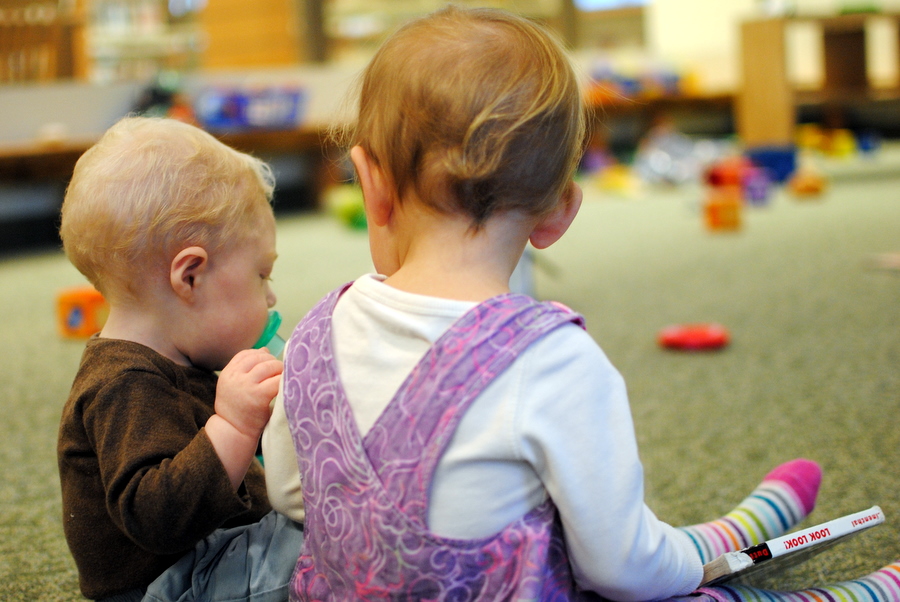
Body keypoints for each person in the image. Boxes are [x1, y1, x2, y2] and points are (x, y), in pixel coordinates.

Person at [261, 6, 899, 601]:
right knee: (673, 586)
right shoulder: (548, 358)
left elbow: (293, 496)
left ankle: (716, 537)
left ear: (369, 182)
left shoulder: (315, 333)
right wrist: (683, 570)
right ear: (559, 210)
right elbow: (619, 569)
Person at [58, 116, 303, 602]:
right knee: (330, 548)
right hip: (171, 583)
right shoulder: (122, 382)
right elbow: (158, 517)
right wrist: (233, 427)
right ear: (190, 276)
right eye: (261, 275)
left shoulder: (181, 363)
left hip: (213, 559)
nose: (271, 297)